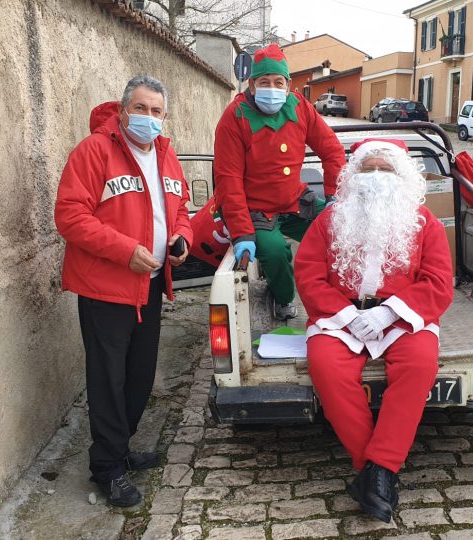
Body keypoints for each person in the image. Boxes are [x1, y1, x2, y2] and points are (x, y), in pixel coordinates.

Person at [295, 139, 455, 523]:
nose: (377, 177)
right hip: (341, 318)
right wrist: (347, 316)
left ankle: (377, 470)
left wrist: (387, 314)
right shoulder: (328, 221)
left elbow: (438, 282)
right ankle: (377, 470)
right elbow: (309, 274)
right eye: (369, 169)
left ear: (402, 177)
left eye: (386, 169)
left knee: (419, 365)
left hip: (400, 319)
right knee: (326, 368)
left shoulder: (424, 222)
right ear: (353, 176)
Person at [54, 74, 192, 507]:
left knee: (138, 376)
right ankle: (106, 468)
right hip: (106, 289)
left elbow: (181, 208)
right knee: (107, 381)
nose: (148, 118)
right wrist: (125, 251)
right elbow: (70, 216)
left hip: (149, 287)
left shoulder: (167, 156)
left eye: (156, 111)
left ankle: (121, 447)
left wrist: (181, 239)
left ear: (164, 117)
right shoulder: (94, 150)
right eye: (140, 108)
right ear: (122, 110)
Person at [213, 43, 346, 319]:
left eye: (278, 82)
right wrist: (241, 233)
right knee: (274, 253)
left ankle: (339, 292)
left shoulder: (300, 108)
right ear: (251, 84)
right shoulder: (234, 118)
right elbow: (229, 180)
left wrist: (335, 195)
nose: (271, 88)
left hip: (294, 201)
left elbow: (332, 150)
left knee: (340, 229)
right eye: (264, 82)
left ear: (287, 86)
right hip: (255, 209)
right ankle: (283, 297)